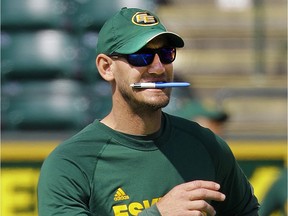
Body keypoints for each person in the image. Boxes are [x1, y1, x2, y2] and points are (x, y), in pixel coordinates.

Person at [38, 7, 259, 216]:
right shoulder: (71, 163)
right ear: (106, 67)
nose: (158, 67)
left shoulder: (206, 145)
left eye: (165, 54)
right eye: (141, 55)